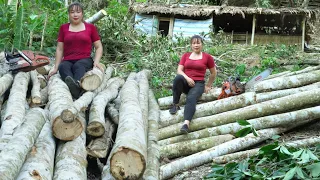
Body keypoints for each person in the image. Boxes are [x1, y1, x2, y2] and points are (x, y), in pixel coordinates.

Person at [48, 2, 103, 99]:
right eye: (72, 12)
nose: (75, 14)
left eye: (78, 12)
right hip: (68, 59)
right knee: (63, 66)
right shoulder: (63, 28)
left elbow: (98, 47)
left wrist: (97, 62)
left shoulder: (90, 28)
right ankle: (76, 88)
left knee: (79, 66)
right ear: (69, 14)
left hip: (85, 59)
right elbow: (60, 49)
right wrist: (56, 67)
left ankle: (75, 86)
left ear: (82, 14)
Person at [169, 35, 217, 134]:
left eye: (198, 43)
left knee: (191, 98)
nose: (196, 45)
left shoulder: (207, 57)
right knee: (178, 78)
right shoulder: (186, 56)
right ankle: (175, 104)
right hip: (186, 82)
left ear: (202, 44)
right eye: (194, 43)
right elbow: (179, 70)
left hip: (198, 84)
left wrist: (208, 85)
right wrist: (187, 78)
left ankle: (186, 124)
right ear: (191, 45)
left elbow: (213, 73)